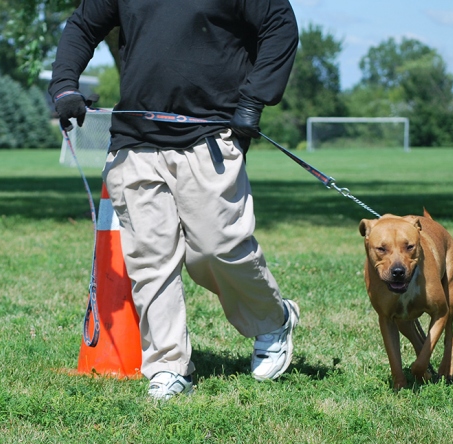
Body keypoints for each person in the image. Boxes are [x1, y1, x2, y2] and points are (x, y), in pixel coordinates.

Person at [49, 1, 301, 399]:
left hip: (210, 135)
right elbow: (82, 25)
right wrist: (65, 84)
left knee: (216, 248)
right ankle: (168, 366)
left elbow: (279, 26)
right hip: (134, 141)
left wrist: (254, 100)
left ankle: (273, 319)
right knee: (151, 258)